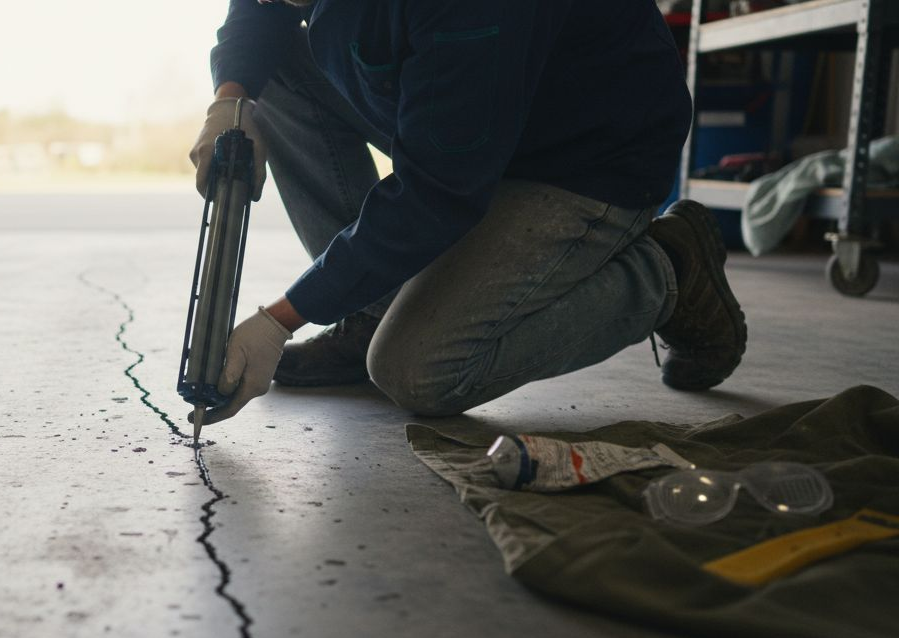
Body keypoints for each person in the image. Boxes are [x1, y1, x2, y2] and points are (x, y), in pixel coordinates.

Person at [187, 0, 747, 427]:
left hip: (587, 154)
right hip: (471, 114)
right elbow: (260, 13)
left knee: (420, 370)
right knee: (272, 73)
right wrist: (231, 98)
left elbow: (439, 191)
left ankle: (670, 270)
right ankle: (373, 310)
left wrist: (283, 317)